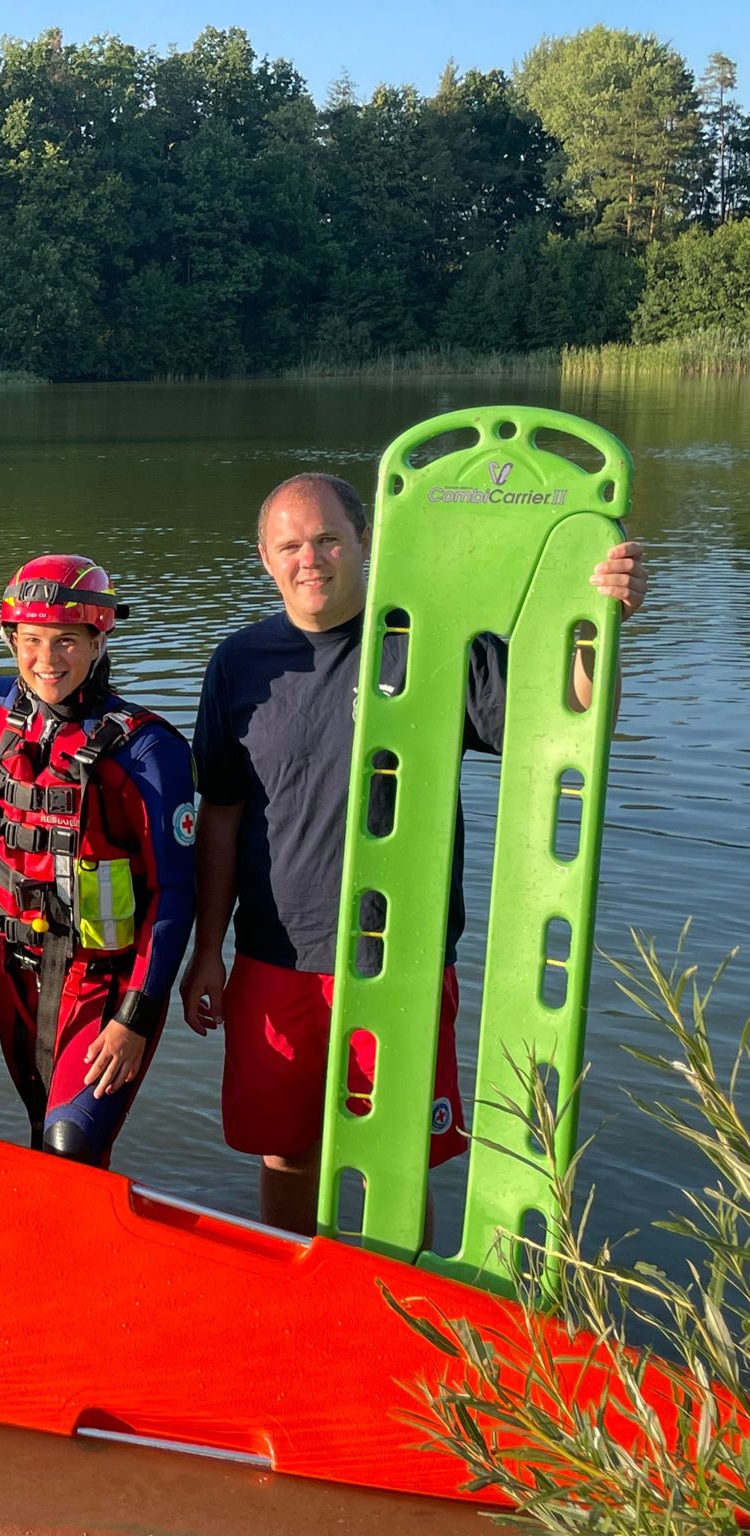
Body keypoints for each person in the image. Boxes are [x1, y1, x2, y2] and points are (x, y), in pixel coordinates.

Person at [180, 472, 648, 1233]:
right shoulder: (238, 664)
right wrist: (208, 952)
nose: (312, 560)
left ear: (367, 542)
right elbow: (223, 817)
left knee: (394, 1161)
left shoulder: (432, 641)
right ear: (265, 558)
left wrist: (601, 622)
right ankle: (299, 1309)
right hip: (272, 957)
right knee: (287, 1155)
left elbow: (571, 717)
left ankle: (402, 1318)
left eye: (329, 539)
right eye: (291, 545)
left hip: (400, 954)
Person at [0, 556, 198, 1163]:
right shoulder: (2, 713)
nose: (47, 660)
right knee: (37, 1128)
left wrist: (137, 1017)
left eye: (67, 640)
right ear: (12, 640)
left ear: (99, 640)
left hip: (105, 986)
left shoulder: (148, 750)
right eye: (32, 640)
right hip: (16, 969)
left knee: (70, 1142)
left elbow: (174, 895)